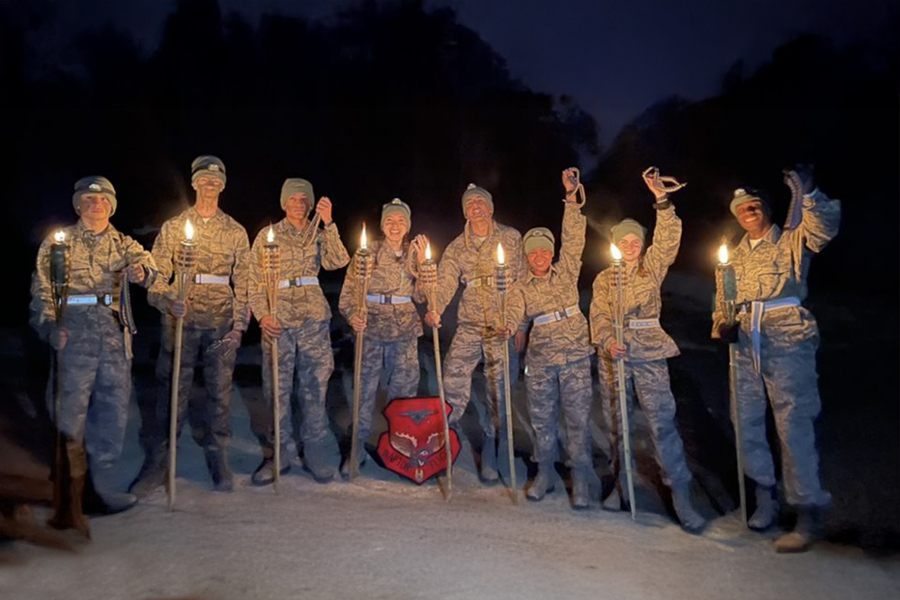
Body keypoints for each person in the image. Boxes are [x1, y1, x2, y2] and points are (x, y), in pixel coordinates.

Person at [712, 166, 840, 552]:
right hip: (744, 343)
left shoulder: (790, 240)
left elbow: (825, 228)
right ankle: (764, 500)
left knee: (792, 420)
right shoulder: (731, 257)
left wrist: (810, 191)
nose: (748, 212)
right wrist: (722, 325)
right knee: (746, 421)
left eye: (753, 205)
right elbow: (722, 303)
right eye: (741, 209)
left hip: (785, 337)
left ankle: (806, 512)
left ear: (764, 209)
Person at [30, 175, 157, 517]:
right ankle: (68, 491)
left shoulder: (123, 244)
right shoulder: (60, 243)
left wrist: (142, 272)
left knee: (113, 415)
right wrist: (48, 326)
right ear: (78, 205)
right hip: (73, 334)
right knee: (69, 413)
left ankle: (103, 488)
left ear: (111, 206)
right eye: (88, 199)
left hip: (114, 338)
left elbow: (152, 266)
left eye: (102, 200)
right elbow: (42, 291)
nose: (96, 204)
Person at [590, 167, 705, 532]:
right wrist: (608, 340)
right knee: (617, 424)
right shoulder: (605, 279)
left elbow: (669, 239)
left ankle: (681, 496)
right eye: (622, 241)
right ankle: (620, 486)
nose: (629, 245)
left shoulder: (651, 269)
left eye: (635, 240)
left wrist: (662, 201)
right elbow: (599, 316)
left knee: (661, 423)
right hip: (616, 356)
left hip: (650, 353)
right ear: (615, 245)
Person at [130, 155, 250, 495]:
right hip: (180, 323)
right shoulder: (174, 228)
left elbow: (245, 284)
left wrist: (238, 327)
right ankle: (160, 459)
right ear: (195, 183)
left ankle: (217, 455)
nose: (209, 184)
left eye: (215, 179)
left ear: (223, 185)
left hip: (219, 326)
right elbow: (155, 278)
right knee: (172, 389)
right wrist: (169, 300)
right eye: (203, 179)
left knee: (219, 390)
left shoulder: (236, 232)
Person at [248, 178, 350, 485]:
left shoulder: (318, 235)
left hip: (312, 320)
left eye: (303, 199)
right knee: (276, 391)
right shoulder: (268, 237)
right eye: (292, 199)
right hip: (277, 320)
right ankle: (279, 455)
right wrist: (263, 315)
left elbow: (338, 261)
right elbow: (254, 280)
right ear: (283, 203)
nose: (298, 203)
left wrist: (330, 223)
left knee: (314, 390)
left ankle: (315, 453)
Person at [425, 183, 526, 482]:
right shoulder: (457, 246)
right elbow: (444, 282)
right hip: (470, 323)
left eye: (481, 202)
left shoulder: (510, 237)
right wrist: (435, 308)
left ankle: (496, 452)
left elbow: (522, 283)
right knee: (453, 378)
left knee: (500, 389)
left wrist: (520, 324)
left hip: (502, 321)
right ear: (465, 211)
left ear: (491, 208)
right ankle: (447, 445)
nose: (476, 207)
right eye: (470, 204)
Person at [505, 168, 593, 508]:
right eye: (533, 252)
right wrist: (511, 327)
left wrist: (571, 199)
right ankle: (545, 473)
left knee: (577, 419)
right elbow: (514, 312)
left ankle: (581, 477)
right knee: (542, 419)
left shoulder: (568, 270)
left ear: (551, 253)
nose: (539, 256)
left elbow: (574, 237)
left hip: (574, 358)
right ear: (527, 256)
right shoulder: (520, 286)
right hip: (540, 362)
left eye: (544, 251)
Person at [338, 198, 428, 475]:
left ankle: (401, 452)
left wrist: (425, 265)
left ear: (408, 225)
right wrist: (354, 315)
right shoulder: (368, 252)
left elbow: (424, 296)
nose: (395, 225)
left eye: (401, 221)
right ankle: (356, 449)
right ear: (382, 225)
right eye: (390, 220)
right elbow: (348, 294)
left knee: (403, 394)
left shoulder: (415, 253)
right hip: (372, 326)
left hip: (404, 329)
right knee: (364, 391)